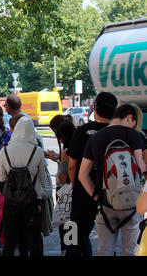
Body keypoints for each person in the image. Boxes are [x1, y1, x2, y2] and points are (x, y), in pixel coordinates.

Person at [79, 104, 146, 256]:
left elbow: (82, 175)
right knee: (131, 250)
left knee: (105, 250)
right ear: (130, 118)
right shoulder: (137, 136)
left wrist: (96, 196)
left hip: (105, 202)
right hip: (132, 202)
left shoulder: (96, 137)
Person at [66, 91, 118, 256]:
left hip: (83, 189)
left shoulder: (82, 131)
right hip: (111, 190)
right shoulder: (117, 132)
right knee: (110, 237)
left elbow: (72, 166)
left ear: (94, 107)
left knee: (74, 231)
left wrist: (75, 186)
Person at [0, 116, 46, 256]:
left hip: (11, 202)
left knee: (10, 240)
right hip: (32, 201)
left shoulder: (4, 151)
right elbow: (42, 177)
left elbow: (2, 178)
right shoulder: (38, 151)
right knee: (33, 239)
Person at [55, 120, 76, 255]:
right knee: (80, 234)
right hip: (81, 194)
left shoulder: (66, 151)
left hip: (69, 195)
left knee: (68, 227)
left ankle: (68, 251)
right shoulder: (82, 146)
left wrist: (60, 160)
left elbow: (63, 178)